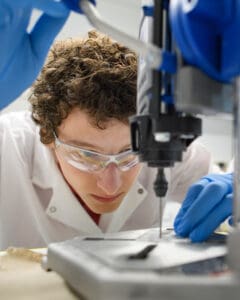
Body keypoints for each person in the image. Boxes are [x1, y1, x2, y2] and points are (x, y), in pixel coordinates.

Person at [0, 26, 216, 250]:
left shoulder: (165, 146)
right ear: (48, 135)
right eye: (86, 156)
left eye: (129, 155)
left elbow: (223, 197)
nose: (111, 186)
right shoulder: (8, 146)